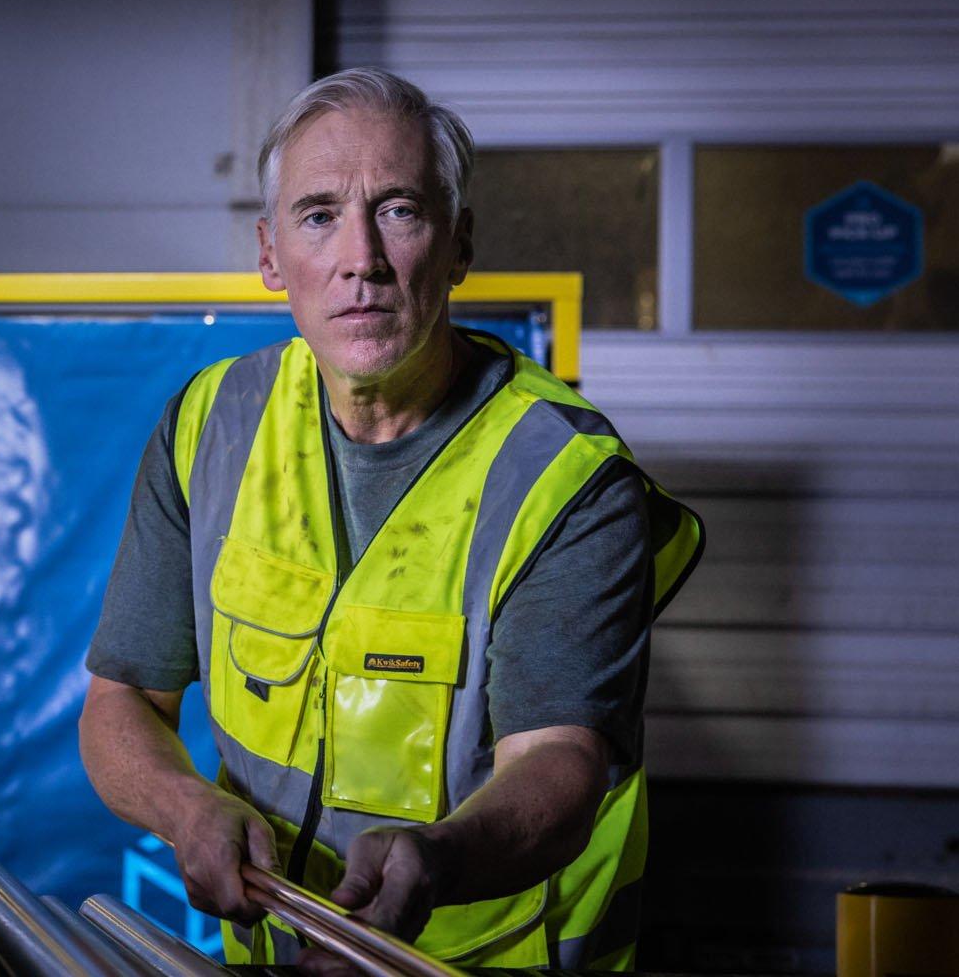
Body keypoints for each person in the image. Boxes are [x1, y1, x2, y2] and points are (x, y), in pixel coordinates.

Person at [77, 67, 703, 971]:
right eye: (319, 214)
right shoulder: (208, 428)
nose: (360, 258)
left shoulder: (566, 479)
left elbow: (560, 762)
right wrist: (186, 809)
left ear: (459, 245)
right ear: (269, 254)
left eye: (400, 210)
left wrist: (439, 860)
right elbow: (123, 699)